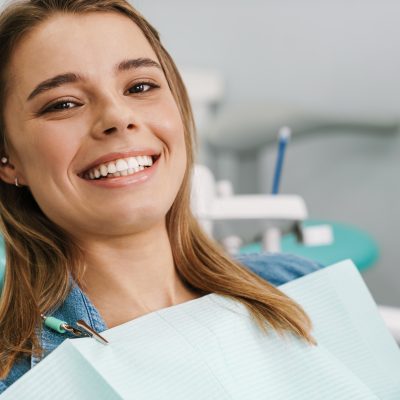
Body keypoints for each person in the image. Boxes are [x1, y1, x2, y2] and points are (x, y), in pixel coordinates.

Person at [0, 1, 370, 397]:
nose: (117, 117)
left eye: (140, 86)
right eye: (63, 104)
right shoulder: (19, 378)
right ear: (8, 160)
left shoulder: (299, 284)